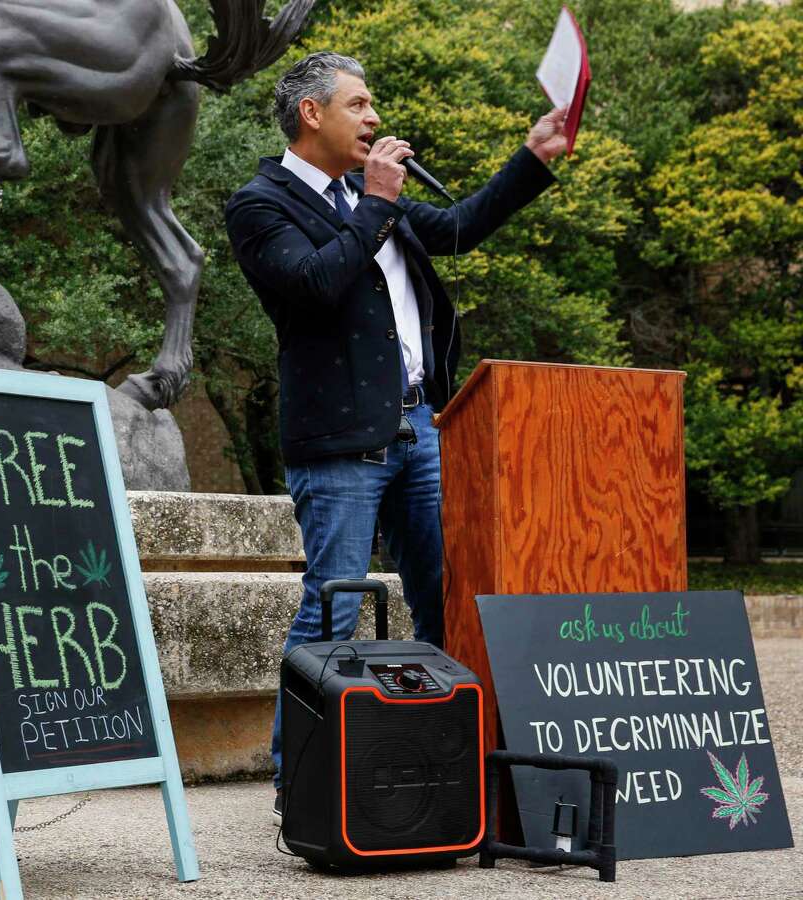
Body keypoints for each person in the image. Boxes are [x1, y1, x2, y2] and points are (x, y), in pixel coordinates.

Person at [223, 51, 568, 824]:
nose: (376, 119)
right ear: (312, 114)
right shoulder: (260, 202)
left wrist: (531, 159)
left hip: (422, 427)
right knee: (331, 613)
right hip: (340, 442)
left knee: (447, 598)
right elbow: (313, 285)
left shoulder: (367, 194)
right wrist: (376, 202)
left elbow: (455, 230)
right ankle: (299, 787)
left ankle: (458, 768)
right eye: (360, 104)